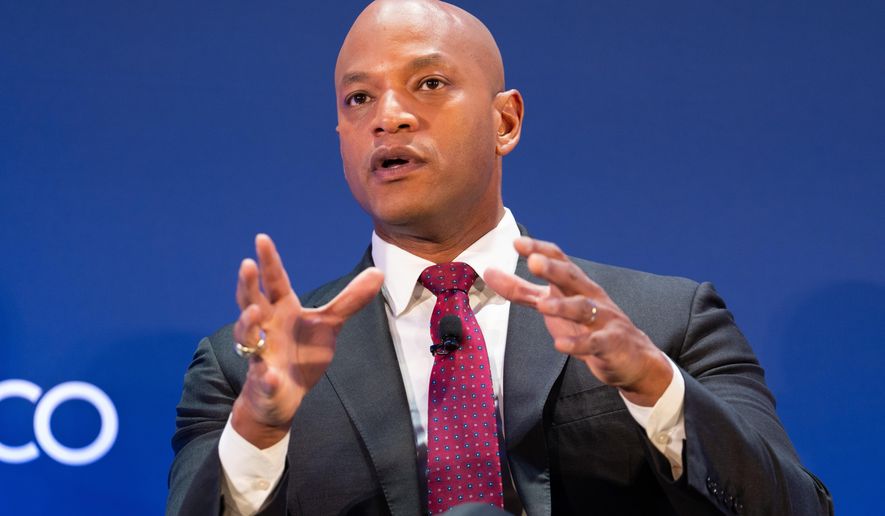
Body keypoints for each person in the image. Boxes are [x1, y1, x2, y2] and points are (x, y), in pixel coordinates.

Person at [167, 1, 833, 515]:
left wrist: (651, 384)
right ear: (340, 134)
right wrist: (259, 423)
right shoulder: (241, 368)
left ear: (505, 121)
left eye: (427, 83)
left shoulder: (667, 322)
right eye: (359, 98)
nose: (388, 116)